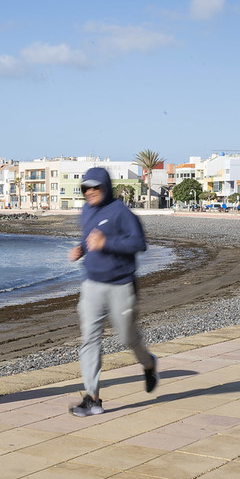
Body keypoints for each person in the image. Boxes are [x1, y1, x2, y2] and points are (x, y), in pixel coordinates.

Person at [68, 167, 158, 417]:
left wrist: (106, 243)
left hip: (121, 284)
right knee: (89, 339)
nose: (91, 191)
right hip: (92, 284)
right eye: (87, 187)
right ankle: (93, 398)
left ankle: (149, 364)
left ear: (107, 187)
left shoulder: (121, 213)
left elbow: (139, 243)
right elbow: (90, 238)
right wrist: (81, 250)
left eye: (96, 187)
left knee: (128, 338)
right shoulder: (86, 211)